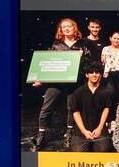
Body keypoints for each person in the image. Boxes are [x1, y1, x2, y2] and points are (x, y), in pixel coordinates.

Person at [32, 17, 85, 149]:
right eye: (64, 27)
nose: (67, 28)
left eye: (69, 26)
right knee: (46, 107)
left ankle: (69, 135)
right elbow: (48, 64)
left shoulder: (81, 45)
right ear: (61, 30)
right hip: (56, 82)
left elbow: (86, 67)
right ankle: (41, 135)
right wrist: (40, 79)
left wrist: (82, 57)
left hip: (74, 83)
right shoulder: (56, 45)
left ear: (74, 28)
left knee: (72, 108)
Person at [69, 65, 114, 152]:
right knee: (78, 153)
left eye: (97, 72)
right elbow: (76, 112)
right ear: (87, 75)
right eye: (91, 72)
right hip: (81, 132)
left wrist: (100, 128)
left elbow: (106, 109)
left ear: (100, 75)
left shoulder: (106, 92)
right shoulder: (78, 92)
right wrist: (84, 131)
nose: (94, 75)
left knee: (103, 150)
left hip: (99, 130)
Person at [101, 30, 119, 101]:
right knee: (109, 98)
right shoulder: (105, 49)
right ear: (110, 38)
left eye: (118, 39)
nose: (116, 40)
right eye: (114, 38)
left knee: (118, 98)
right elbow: (103, 63)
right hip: (108, 77)